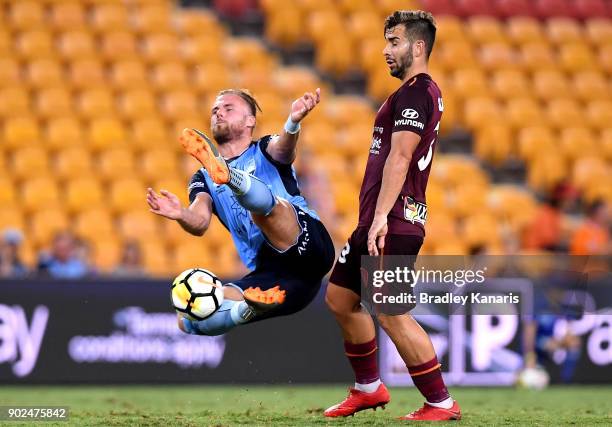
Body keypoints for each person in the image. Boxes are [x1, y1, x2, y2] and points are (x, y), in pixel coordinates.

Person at [324, 11, 461, 421]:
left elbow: (400, 157)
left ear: (418, 47)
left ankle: (441, 403)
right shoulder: (408, 93)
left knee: (390, 311)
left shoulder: (418, 92)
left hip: (393, 220)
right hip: (376, 220)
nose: (386, 50)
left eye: (395, 42)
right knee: (341, 299)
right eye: (386, 41)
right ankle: (368, 389)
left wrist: (382, 216)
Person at [146, 88, 335, 335]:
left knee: (262, 212)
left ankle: (231, 176)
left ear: (250, 121)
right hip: (278, 280)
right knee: (189, 320)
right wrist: (181, 214)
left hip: (307, 243)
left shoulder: (265, 148)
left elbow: (284, 149)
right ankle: (247, 309)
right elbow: (200, 222)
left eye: (228, 108)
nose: (218, 113)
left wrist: (293, 122)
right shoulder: (202, 178)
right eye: (215, 110)